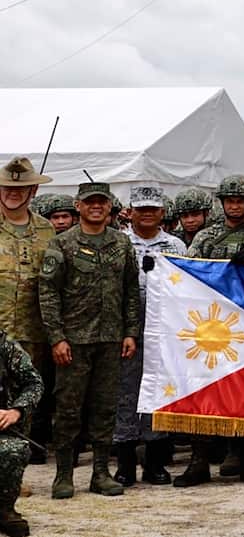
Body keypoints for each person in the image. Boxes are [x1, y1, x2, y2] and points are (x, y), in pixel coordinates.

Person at [38, 181, 141, 499]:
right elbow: (48, 292)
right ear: (78, 206)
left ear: (110, 207)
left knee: (105, 408)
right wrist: (56, 337)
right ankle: (64, 475)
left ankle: (100, 473)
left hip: (110, 339)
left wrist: (130, 332)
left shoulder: (121, 244)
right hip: (74, 341)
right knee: (68, 409)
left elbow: (131, 291)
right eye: (89, 202)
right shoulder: (63, 245)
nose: (96, 206)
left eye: (102, 202)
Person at [180, 174, 244, 488]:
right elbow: (187, 274)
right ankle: (198, 462)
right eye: (230, 200)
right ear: (222, 203)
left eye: (240, 201)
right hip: (210, 326)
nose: (235, 205)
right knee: (203, 389)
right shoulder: (205, 237)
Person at [113, 186, 186, 487]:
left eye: (152, 209)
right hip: (125, 330)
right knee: (124, 393)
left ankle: (156, 463)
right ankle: (125, 464)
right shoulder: (117, 243)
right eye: (140, 208)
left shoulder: (176, 246)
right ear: (130, 211)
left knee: (160, 391)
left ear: (162, 213)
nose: (146, 214)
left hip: (164, 332)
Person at [0, 157, 56, 463]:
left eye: (21, 188)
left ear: (33, 190)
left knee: (25, 401)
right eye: (8, 186)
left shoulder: (47, 231)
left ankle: (13, 469)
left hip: (33, 333)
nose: (13, 193)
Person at [0, 327, 43, 537]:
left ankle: (4, 510)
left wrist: (16, 411)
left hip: (2, 427)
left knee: (13, 450)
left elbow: (34, 383)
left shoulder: (5, 345)